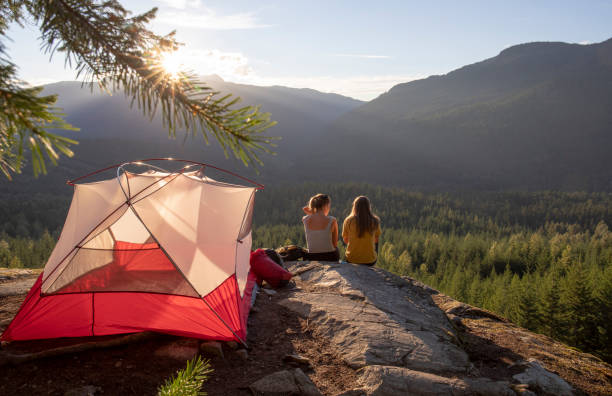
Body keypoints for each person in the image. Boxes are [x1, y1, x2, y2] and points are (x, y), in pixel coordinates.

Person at [342, 196, 381, 265]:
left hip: (351, 259)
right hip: (370, 261)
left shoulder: (348, 220)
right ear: (368, 207)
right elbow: (376, 239)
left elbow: (345, 240)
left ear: (355, 206)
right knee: (376, 243)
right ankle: (372, 256)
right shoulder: (375, 220)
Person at [302, 194, 340, 261]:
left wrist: (313, 211)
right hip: (330, 257)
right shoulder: (332, 220)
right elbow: (334, 244)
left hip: (312, 257)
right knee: (337, 249)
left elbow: (305, 209)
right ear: (326, 206)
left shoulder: (305, 220)